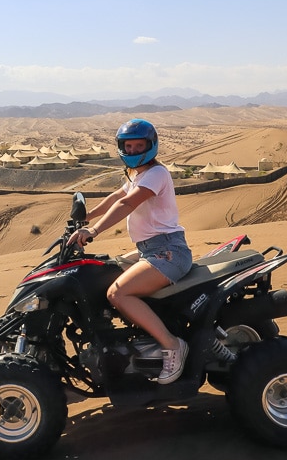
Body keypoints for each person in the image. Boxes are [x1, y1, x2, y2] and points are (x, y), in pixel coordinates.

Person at [67, 119, 194, 383]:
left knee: (118, 293)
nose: (134, 150)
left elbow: (126, 203)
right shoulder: (137, 175)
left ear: (151, 145)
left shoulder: (156, 174)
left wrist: (93, 231)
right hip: (150, 250)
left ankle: (172, 345)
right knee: (105, 271)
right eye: (129, 146)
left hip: (168, 252)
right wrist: (86, 218)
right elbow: (115, 197)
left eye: (139, 145)